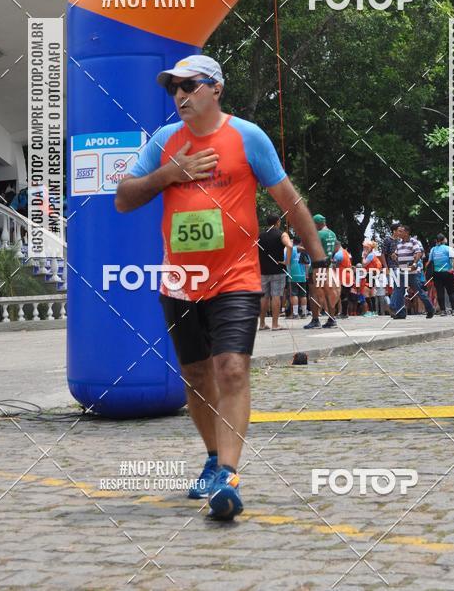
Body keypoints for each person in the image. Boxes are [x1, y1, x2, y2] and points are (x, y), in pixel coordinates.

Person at [115, 55, 327, 521]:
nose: (180, 95)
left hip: (236, 277)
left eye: (189, 85)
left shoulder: (247, 136)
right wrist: (169, 174)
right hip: (180, 281)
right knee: (196, 377)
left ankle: (228, 476)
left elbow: (288, 201)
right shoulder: (164, 142)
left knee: (230, 369)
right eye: (174, 88)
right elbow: (124, 199)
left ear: (216, 89)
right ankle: (213, 457)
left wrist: (319, 257)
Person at [258, 213, 292, 331]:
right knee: (276, 296)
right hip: (278, 269)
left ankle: (262, 323)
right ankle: (275, 324)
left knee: (264, 297)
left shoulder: (260, 235)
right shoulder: (281, 234)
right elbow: (290, 246)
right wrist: (286, 261)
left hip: (263, 270)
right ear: (278, 222)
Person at [304, 214, 338, 330]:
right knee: (329, 293)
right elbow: (335, 248)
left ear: (318, 224)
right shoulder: (332, 234)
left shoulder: (318, 234)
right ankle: (332, 319)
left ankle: (315, 320)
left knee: (314, 294)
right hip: (328, 266)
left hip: (317, 267)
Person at [396, 225, 435, 319]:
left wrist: (414, 264)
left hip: (412, 272)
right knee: (399, 292)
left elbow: (418, 253)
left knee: (419, 292)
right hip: (402, 272)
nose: (398, 233)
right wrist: (395, 257)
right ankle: (401, 313)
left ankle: (430, 309)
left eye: (401, 231)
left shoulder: (414, 241)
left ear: (406, 232)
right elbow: (398, 256)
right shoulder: (399, 244)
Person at [428, 234, 454, 315]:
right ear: (443, 240)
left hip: (437, 273)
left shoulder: (433, 249)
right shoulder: (448, 248)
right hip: (447, 272)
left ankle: (443, 311)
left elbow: (430, 261)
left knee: (439, 292)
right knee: (451, 291)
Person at [381, 221, 402, 315]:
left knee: (400, 288)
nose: (401, 231)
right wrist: (386, 268)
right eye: (399, 230)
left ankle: (397, 307)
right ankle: (394, 308)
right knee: (395, 288)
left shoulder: (400, 241)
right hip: (392, 267)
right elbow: (383, 254)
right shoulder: (387, 240)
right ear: (394, 231)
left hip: (400, 267)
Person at [286, 235, 308, 318]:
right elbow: (308, 263)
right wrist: (306, 274)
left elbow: (286, 262)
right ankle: (304, 313)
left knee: (294, 294)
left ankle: (295, 314)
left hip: (292, 275)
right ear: (300, 242)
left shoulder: (289, 250)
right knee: (303, 295)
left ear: (293, 241)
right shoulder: (304, 250)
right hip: (302, 275)